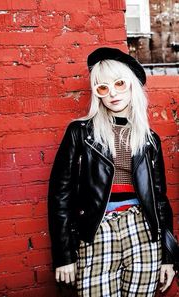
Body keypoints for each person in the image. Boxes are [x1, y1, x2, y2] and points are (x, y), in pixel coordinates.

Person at [48, 47, 176, 296]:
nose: (113, 93)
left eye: (119, 83)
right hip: (96, 230)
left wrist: (168, 255)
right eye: (103, 88)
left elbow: (160, 199)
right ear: (97, 94)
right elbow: (59, 196)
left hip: (142, 230)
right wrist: (63, 254)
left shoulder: (149, 139)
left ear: (132, 86)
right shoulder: (80, 133)